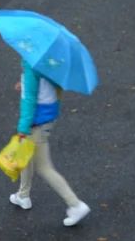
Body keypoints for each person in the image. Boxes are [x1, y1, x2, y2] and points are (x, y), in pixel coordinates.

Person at [8, 59, 91, 227]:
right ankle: (23, 195)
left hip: (36, 122)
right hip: (48, 117)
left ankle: (75, 204)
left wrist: (23, 128)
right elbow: (48, 87)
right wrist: (24, 84)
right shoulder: (50, 61)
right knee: (26, 154)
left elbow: (29, 100)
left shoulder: (31, 65)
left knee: (44, 167)